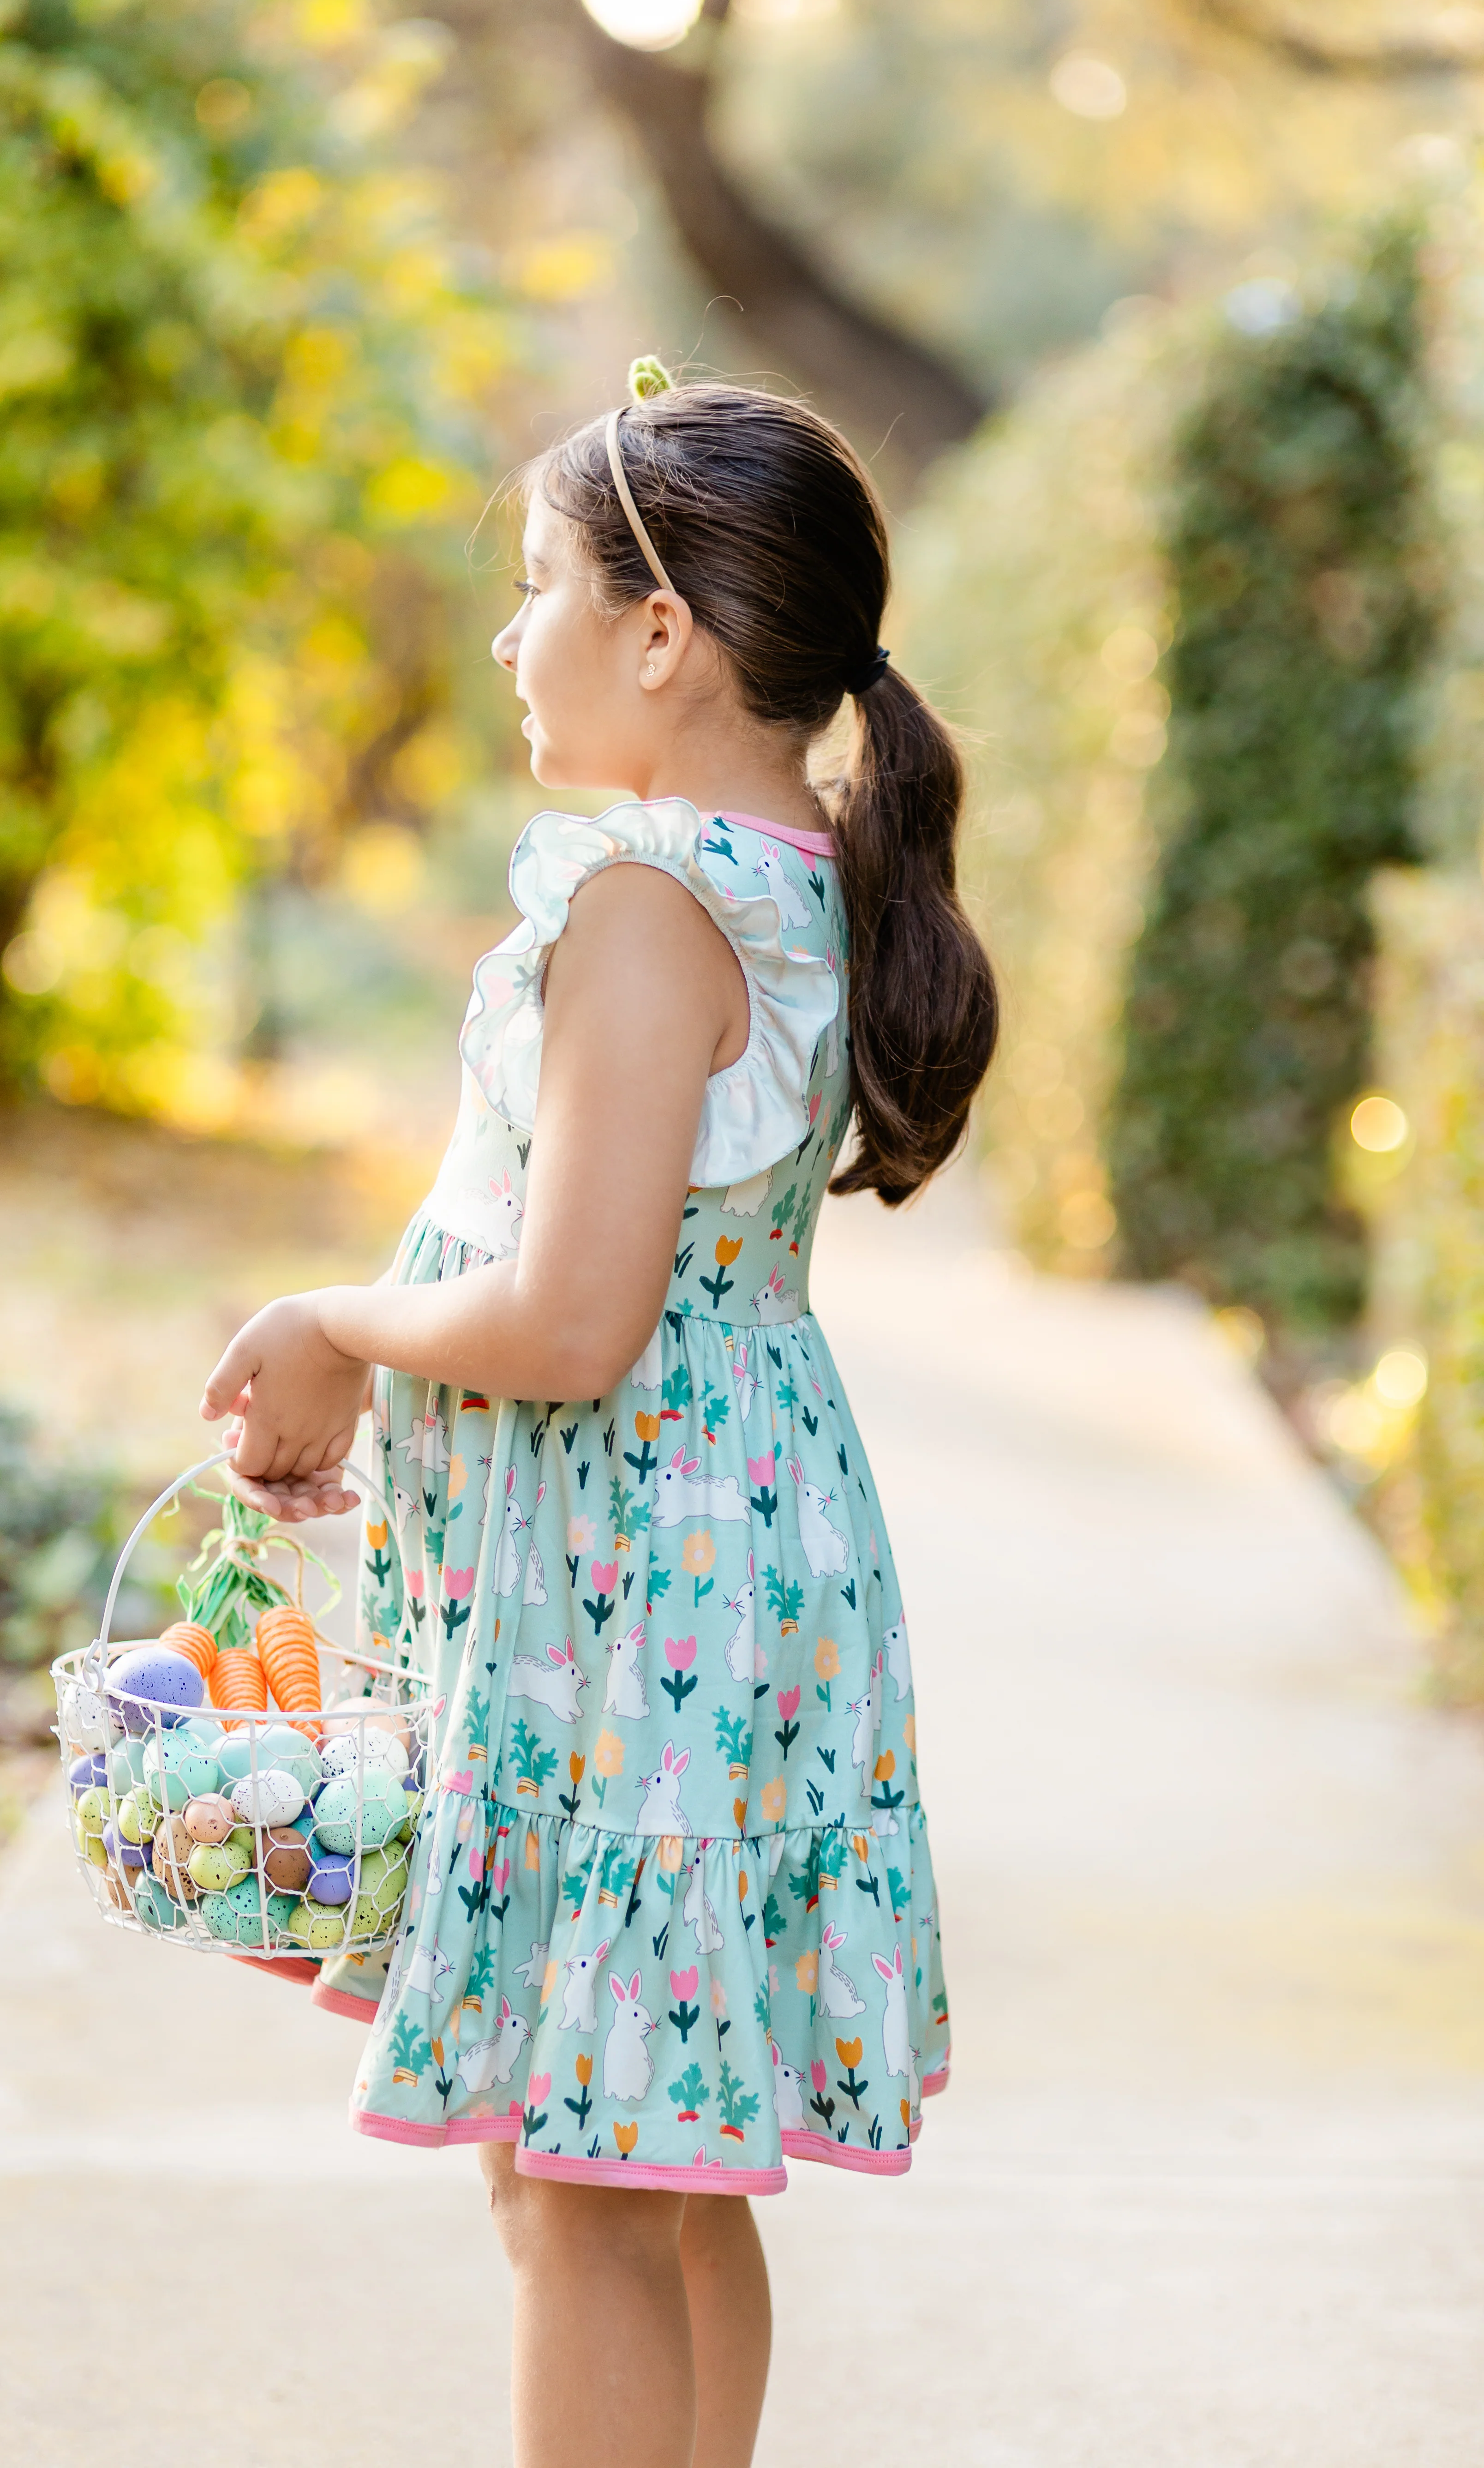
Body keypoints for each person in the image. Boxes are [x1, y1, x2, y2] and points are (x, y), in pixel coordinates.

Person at [199, 361, 998, 2468]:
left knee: (580, 2184)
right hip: (704, 1575)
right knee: (651, 2157)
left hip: (631, 1603)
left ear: (665, 634)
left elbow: (566, 1319)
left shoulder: (647, 907)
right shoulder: (789, 875)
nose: (503, 630)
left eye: (541, 582)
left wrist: (335, 1320)